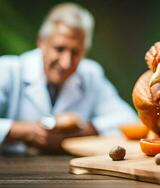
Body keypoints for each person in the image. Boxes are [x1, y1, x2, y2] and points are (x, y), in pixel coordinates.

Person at [0, 3, 138, 154]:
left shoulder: (91, 74)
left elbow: (129, 120)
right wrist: (27, 132)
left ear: (85, 51)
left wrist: (81, 132)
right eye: (59, 49)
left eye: (75, 52)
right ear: (41, 42)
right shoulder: (8, 70)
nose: (66, 63)